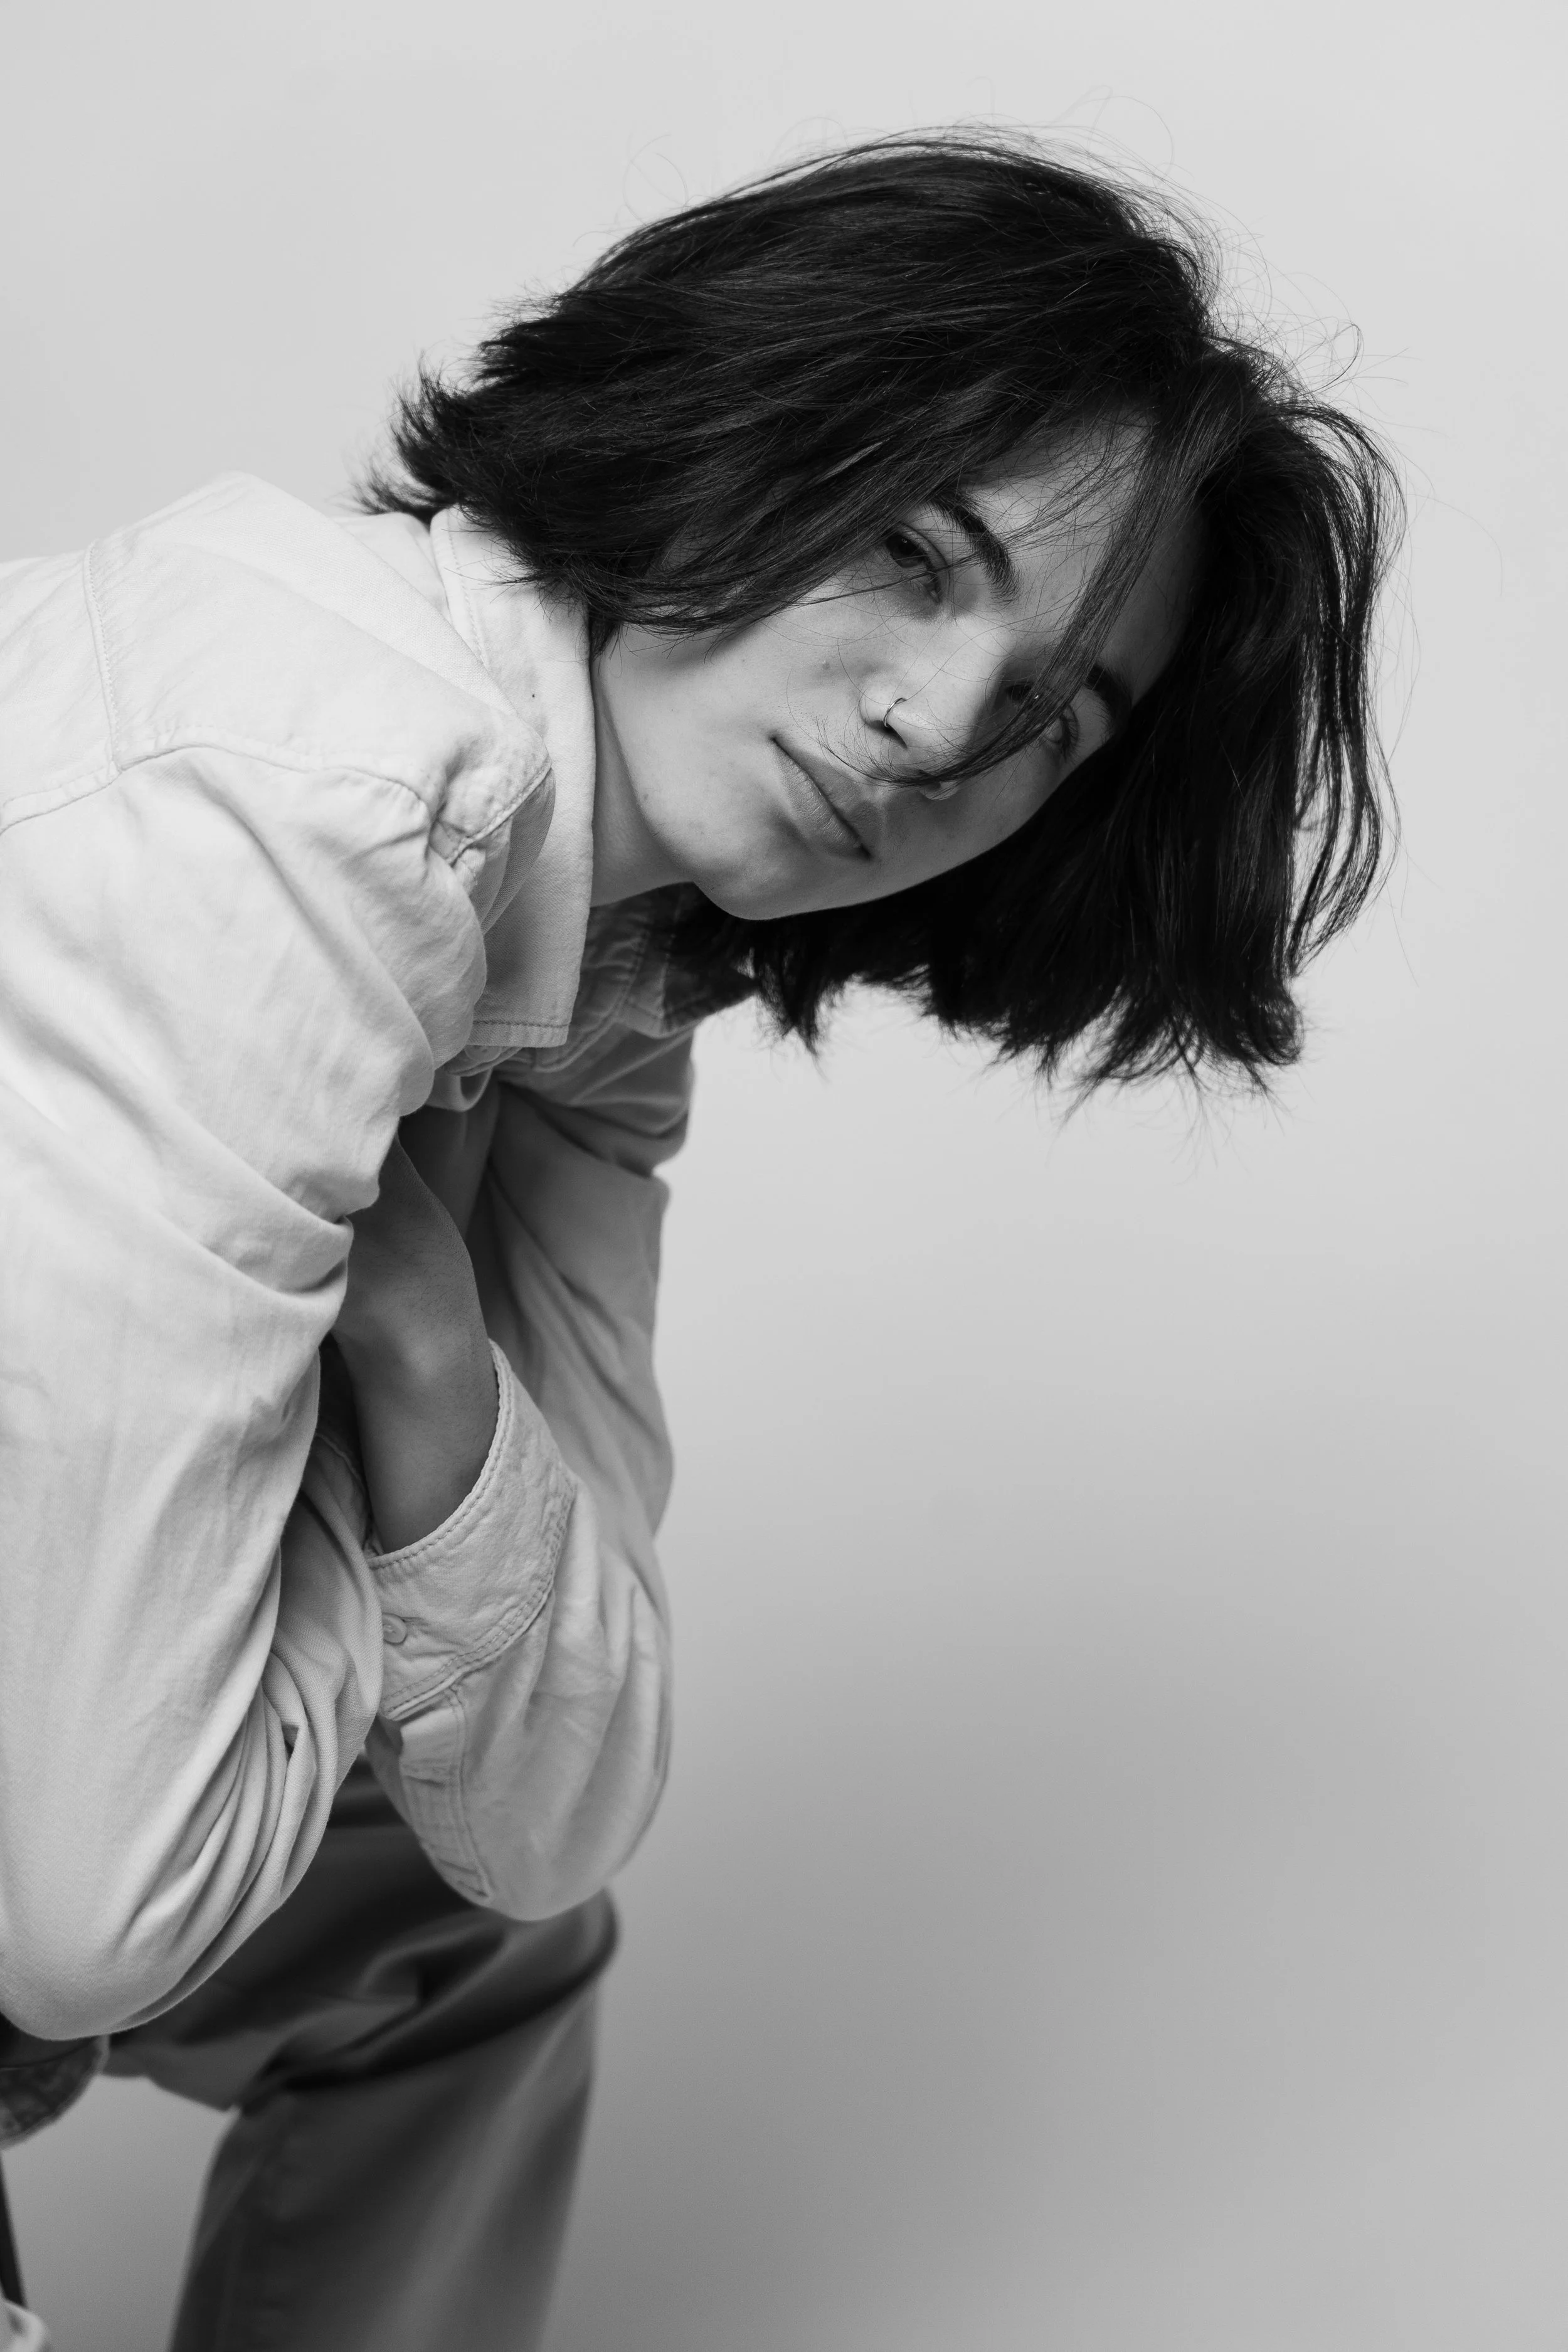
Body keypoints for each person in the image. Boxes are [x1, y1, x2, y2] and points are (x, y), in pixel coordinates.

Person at [0, 131, 1399, 2350]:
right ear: (723, 428)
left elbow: (551, 1821)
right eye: (910, 556)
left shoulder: (597, 984)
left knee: (472, 1949)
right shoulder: (316, 797)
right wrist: (354, 1537)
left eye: (1052, 714)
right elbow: (93, 1910)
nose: (938, 723)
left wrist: (424, 1354)